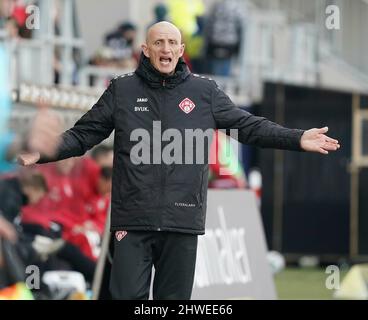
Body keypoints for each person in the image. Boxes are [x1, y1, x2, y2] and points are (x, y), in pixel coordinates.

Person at [18, 21, 340, 300]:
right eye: (158, 42)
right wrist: (45, 151)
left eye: (172, 43)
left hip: (182, 222)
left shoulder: (205, 93)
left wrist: (296, 138)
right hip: (133, 221)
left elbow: (248, 127)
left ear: (181, 49)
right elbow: (82, 135)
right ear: (146, 49)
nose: (166, 48)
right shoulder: (122, 91)